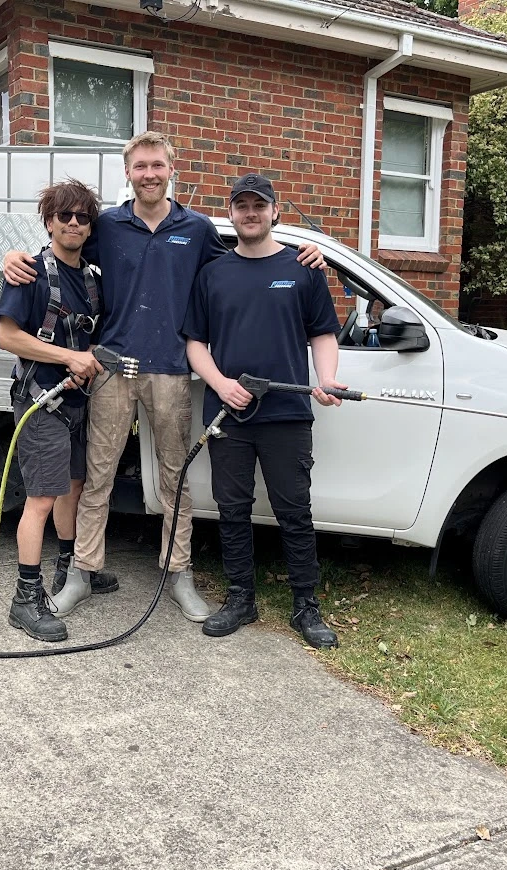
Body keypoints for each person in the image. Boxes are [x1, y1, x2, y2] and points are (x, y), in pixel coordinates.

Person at [4, 132, 324, 621]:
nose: (149, 174)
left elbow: (246, 265)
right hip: (111, 368)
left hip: (172, 372)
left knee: (176, 479)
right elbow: (61, 246)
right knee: (97, 478)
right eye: (139, 166)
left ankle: (179, 575)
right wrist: (14, 258)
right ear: (127, 173)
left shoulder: (196, 229)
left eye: (157, 165)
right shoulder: (107, 225)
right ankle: (81, 573)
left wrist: (305, 254)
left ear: (171, 169)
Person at [182, 173, 344, 649]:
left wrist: (327, 378)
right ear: (231, 213)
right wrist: (221, 385)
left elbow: (323, 334)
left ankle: (305, 607)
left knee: (295, 512)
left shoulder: (303, 268)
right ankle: (240, 599)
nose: (250, 213)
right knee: (233, 511)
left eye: (259, 205)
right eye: (241, 206)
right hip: (228, 414)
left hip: (288, 415)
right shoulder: (213, 273)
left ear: (275, 212)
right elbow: (195, 343)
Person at [0, 178, 104, 642]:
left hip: (79, 404)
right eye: (65, 216)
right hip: (42, 402)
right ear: (49, 221)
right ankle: (25, 599)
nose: (74, 223)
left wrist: (90, 356)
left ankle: (69, 568)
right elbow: (8, 336)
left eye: (82, 216)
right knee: (40, 499)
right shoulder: (29, 272)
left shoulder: (91, 279)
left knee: (71, 489)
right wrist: (69, 358)